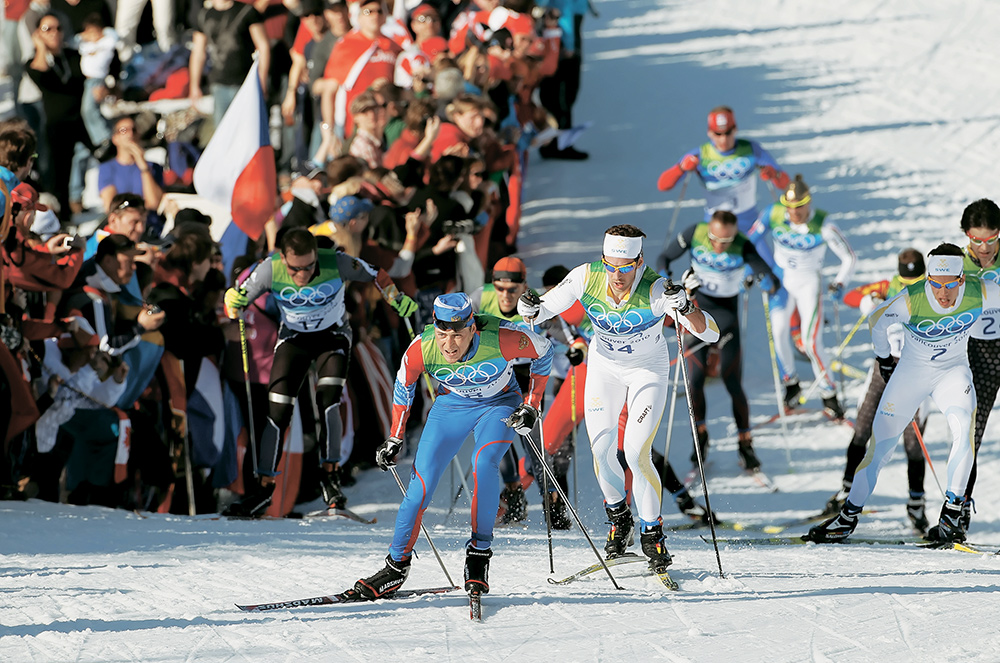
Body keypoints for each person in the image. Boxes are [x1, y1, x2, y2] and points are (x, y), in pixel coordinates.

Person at [518, 224, 720, 572]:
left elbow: (711, 333)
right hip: (603, 369)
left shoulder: (657, 289)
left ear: (639, 262)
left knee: (638, 453)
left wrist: (685, 306)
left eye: (625, 268)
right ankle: (619, 517)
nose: (616, 275)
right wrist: (529, 308)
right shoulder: (585, 276)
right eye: (610, 266)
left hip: (647, 370)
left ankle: (652, 532)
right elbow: (539, 312)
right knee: (601, 449)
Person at [351, 292, 553, 599]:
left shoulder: (502, 337)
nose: (449, 344)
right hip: (451, 407)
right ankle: (395, 568)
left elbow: (545, 352)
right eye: (443, 333)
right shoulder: (422, 347)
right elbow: (403, 385)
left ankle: (479, 554)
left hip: (498, 404)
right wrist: (395, 436)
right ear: (435, 327)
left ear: (473, 328)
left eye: (457, 334)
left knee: (483, 463)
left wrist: (531, 405)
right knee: (420, 486)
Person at [808, 243, 1000, 544]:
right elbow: (876, 323)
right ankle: (847, 517)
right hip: (911, 375)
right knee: (880, 445)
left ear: (962, 279)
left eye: (951, 285)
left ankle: (951, 514)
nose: (944, 294)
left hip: (953, 373)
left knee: (965, 433)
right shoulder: (912, 298)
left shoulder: (981, 290)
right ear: (928, 279)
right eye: (937, 285)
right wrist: (884, 360)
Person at [221, 228, 418, 518]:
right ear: (283, 259)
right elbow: (238, 298)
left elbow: (376, 273)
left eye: (310, 266)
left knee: (328, 403)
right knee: (277, 411)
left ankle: (331, 479)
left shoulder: (335, 261)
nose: (303, 275)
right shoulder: (269, 268)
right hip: (294, 340)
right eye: (296, 269)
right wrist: (231, 303)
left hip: (333, 338)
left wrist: (395, 297)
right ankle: (263, 488)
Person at [659, 209, 779, 472]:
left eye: (726, 242)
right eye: (715, 240)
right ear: (709, 231)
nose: (719, 247)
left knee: (732, 380)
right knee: (695, 381)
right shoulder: (695, 233)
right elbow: (664, 257)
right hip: (696, 311)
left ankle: (745, 444)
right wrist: (671, 285)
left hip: (726, 318)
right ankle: (700, 438)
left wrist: (762, 280)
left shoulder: (742, 245)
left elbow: (770, 278)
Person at [821, 249, 929, 532]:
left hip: (916, 371)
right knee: (863, 428)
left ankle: (916, 504)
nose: (911, 286)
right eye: (907, 281)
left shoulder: (934, 292)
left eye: (917, 279)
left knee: (913, 441)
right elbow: (849, 296)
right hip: (884, 368)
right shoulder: (887, 285)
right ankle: (846, 490)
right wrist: (869, 301)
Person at [752, 175, 855, 419]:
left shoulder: (824, 224)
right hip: (781, 282)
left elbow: (849, 257)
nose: (794, 212)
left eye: (800, 206)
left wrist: (840, 282)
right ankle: (791, 383)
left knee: (811, 342)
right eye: (790, 207)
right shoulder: (773, 214)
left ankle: (829, 394)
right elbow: (750, 242)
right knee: (778, 333)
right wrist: (758, 272)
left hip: (809, 283)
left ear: (809, 203)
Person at [656, 106, 789, 266]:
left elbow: (786, 184)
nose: (723, 139)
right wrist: (681, 168)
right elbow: (663, 185)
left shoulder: (751, 149)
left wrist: (774, 175)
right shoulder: (700, 154)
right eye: (718, 134)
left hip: (749, 224)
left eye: (728, 132)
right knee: (712, 274)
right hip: (714, 227)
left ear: (735, 129)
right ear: (709, 132)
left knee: (769, 270)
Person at [958, 198, 1000, 533]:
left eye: (991, 239)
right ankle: (957, 509)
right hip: (977, 355)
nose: (984, 247)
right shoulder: (954, 265)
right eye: (976, 239)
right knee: (971, 433)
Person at [188, 0, 270, 128]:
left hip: (245, 83)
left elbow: (263, 46)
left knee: (247, 129)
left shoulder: (247, 11)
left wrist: (262, 80)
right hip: (219, 85)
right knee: (223, 133)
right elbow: (198, 53)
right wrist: (194, 85)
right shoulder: (204, 15)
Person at [97, 115, 164, 218]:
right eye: (124, 130)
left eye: (134, 130)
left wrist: (143, 167)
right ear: (115, 138)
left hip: (150, 223)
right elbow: (111, 207)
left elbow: (154, 203)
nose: (130, 134)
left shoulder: (152, 167)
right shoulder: (107, 168)